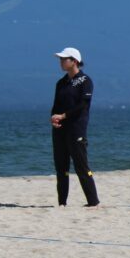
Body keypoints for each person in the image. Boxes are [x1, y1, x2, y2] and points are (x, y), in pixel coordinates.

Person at [50, 47, 100, 207]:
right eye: (60, 59)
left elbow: (83, 105)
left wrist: (64, 116)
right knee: (61, 168)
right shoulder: (61, 83)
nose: (61, 62)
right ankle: (62, 203)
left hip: (76, 129)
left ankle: (93, 202)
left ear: (75, 61)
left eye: (64, 59)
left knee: (81, 166)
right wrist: (54, 118)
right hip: (60, 130)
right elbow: (56, 106)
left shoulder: (85, 81)